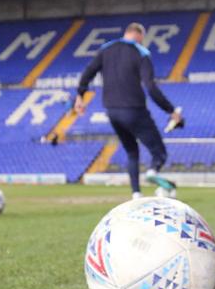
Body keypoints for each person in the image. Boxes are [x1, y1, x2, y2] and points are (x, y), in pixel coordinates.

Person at [75, 23, 183, 199]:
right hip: (134, 110)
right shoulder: (141, 53)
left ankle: (136, 193)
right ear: (139, 35)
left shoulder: (106, 48)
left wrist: (80, 95)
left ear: (126, 33)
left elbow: (89, 71)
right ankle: (153, 171)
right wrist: (171, 110)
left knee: (132, 151)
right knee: (159, 152)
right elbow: (150, 87)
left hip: (112, 111)